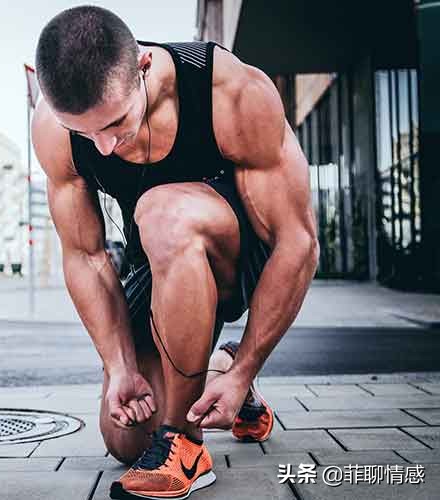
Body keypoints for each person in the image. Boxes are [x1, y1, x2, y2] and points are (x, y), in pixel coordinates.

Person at [31, 6, 319, 499]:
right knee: (126, 438)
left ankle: (185, 445)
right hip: (160, 263)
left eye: (115, 123)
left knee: (162, 211)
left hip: (241, 257)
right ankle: (218, 370)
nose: (103, 147)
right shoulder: (54, 127)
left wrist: (250, 366)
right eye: (85, 133)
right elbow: (85, 255)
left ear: (143, 67)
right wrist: (119, 366)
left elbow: (298, 241)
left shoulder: (227, 90)